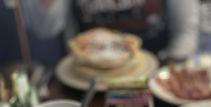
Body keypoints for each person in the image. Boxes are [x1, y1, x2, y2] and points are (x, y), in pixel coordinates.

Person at [2, 0, 200, 64]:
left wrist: (170, 71)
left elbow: (185, 32)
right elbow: (45, 28)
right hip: (88, 84)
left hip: (153, 74)